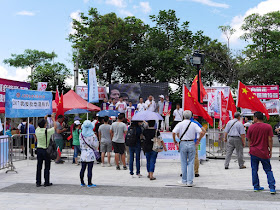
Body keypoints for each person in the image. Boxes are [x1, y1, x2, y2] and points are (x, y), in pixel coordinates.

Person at [172, 110, 204, 187]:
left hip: (182, 143)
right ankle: (190, 181)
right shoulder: (193, 124)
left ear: (183, 116)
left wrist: (175, 141)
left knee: (183, 162)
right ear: (191, 116)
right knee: (191, 162)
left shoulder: (180, 124)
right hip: (191, 143)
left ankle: (184, 180)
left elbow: (173, 132)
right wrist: (198, 140)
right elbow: (202, 132)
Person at [247, 112, 276, 194]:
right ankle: (272, 187)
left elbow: (249, 140)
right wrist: (270, 150)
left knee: (254, 170)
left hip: (254, 151)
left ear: (256, 118)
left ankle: (256, 186)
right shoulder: (268, 127)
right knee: (268, 170)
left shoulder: (251, 127)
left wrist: (250, 149)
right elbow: (270, 139)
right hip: (264, 152)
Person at [35, 114, 57, 187]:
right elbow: (55, 127)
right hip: (46, 150)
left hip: (39, 150)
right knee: (47, 167)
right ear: (45, 124)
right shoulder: (47, 131)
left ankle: (38, 182)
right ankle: (46, 182)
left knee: (39, 166)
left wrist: (45, 118)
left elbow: (39, 126)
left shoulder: (37, 130)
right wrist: (53, 119)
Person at [79, 120, 99, 188]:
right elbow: (96, 145)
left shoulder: (81, 134)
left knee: (82, 168)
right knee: (89, 169)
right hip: (90, 153)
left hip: (83, 153)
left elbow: (80, 144)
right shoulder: (93, 135)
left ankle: (82, 182)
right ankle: (89, 183)